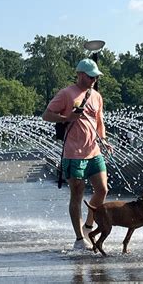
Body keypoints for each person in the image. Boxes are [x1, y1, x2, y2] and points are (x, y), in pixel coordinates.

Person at [42, 58, 112, 250]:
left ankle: (88, 226)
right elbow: (46, 115)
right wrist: (66, 117)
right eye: (90, 77)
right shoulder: (66, 94)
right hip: (73, 154)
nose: (93, 80)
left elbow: (100, 122)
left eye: (96, 77)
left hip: (94, 151)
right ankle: (79, 239)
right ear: (80, 74)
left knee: (102, 190)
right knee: (77, 195)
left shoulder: (96, 96)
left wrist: (104, 140)